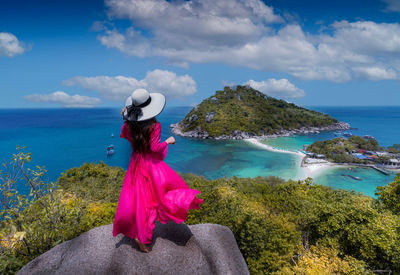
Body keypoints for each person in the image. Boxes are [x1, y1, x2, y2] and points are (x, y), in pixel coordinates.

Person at [113, 88, 203, 253]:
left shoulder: (129, 125)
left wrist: (125, 118)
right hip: (149, 164)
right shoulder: (154, 125)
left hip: (135, 163)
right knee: (161, 194)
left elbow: (125, 135)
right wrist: (168, 141)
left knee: (137, 197)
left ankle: (138, 230)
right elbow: (155, 149)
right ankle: (142, 234)